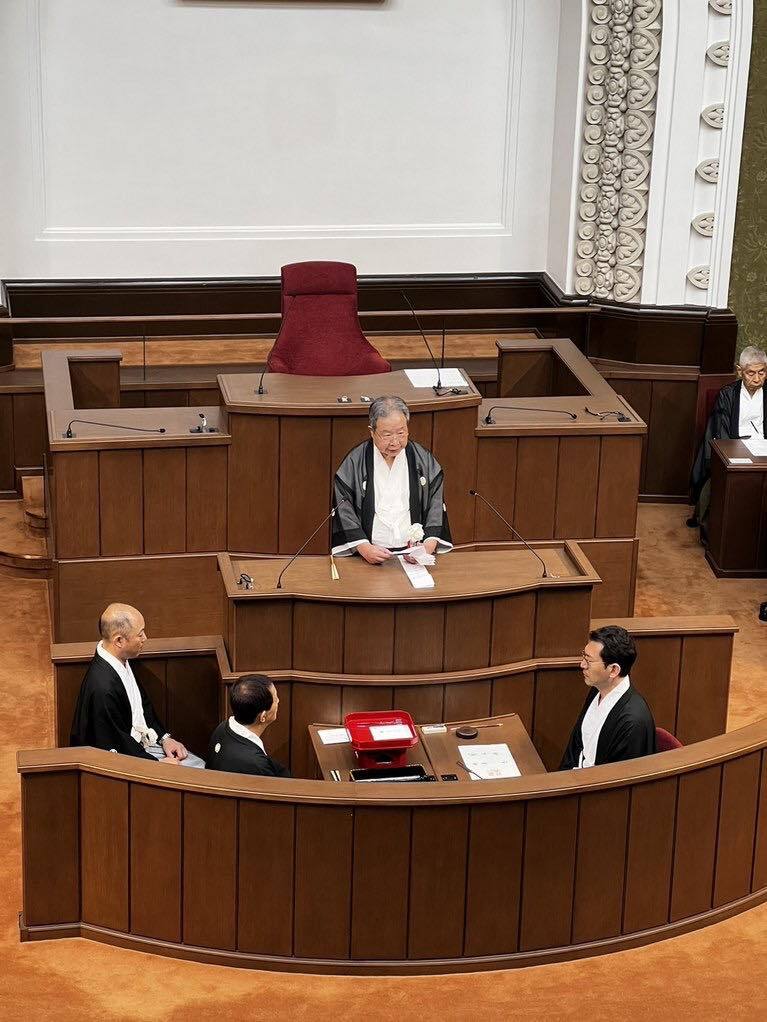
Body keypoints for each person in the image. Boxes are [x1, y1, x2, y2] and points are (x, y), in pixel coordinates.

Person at [70, 603, 204, 766]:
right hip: (126, 759)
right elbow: (117, 744)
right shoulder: (102, 688)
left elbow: (141, 706)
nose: (145, 638)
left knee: (199, 764)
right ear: (119, 640)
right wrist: (157, 764)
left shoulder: (119, 659)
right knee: (197, 770)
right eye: (140, 634)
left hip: (139, 746)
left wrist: (164, 738)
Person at [331, 395, 452, 564]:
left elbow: (436, 505)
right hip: (370, 555)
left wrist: (426, 548)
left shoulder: (422, 460)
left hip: (414, 552)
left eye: (401, 433)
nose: (395, 442)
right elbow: (344, 508)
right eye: (387, 435)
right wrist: (364, 548)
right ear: (372, 431)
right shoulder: (355, 461)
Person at [689, 345, 767, 528]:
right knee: (719, 480)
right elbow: (721, 433)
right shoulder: (728, 394)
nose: (757, 379)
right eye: (751, 373)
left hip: (763, 450)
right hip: (735, 448)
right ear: (740, 371)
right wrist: (734, 457)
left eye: (762, 372)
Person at [560, 625, 657, 770]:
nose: (582, 665)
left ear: (613, 670)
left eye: (589, 660)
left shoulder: (633, 722)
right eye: (584, 656)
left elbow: (620, 779)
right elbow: (576, 748)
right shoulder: (597, 690)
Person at [206, 675, 291, 777]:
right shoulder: (257, 765)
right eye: (275, 698)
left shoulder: (222, 727)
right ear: (263, 716)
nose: (278, 700)